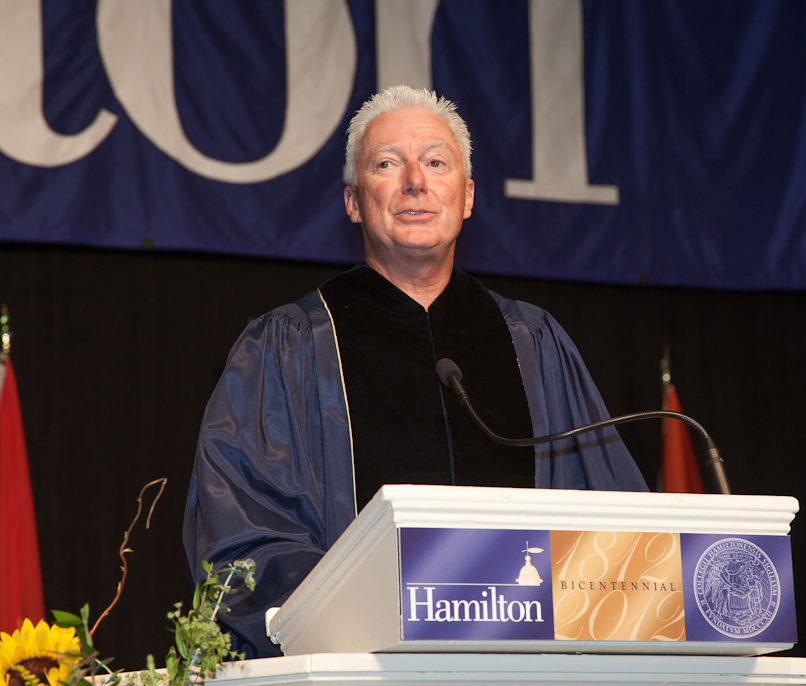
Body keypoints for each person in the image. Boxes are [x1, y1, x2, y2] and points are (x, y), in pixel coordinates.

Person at [182, 86, 647, 658]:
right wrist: (367, 612)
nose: (414, 183)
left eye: (435, 162)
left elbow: (616, 524)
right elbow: (247, 536)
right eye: (386, 164)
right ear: (353, 201)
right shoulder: (287, 348)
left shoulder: (533, 343)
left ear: (467, 195)